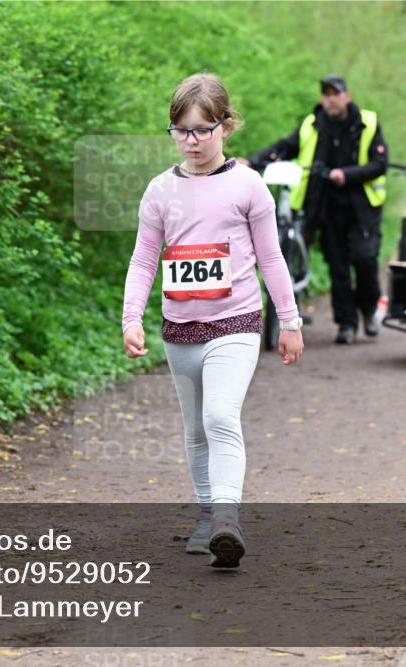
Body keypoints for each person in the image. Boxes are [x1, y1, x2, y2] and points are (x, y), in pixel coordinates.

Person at [121, 72, 304, 569]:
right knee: (195, 430)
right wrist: (130, 318)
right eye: (182, 130)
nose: (193, 141)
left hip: (236, 321)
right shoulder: (160, 191)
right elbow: (143, 261)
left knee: (220, 416)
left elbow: (272, 258)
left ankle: (227, 517)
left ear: (226, 127)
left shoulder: (249, 185)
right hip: (181, 327)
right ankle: (207, 516)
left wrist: (289, 320)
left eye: (203, 129)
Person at [238, 75, 388, 344]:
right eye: (326, 94)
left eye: (336, 93)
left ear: (347, 96)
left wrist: (347, 174)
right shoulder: (312, 124)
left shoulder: (367, 123)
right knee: (337, 267)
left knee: (365, 260)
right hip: (326, 207)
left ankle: (368, 308)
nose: (331, 98)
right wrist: (252, 160)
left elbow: (380, 164)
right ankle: (347, 325)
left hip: (362, 207)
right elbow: (285, 147)